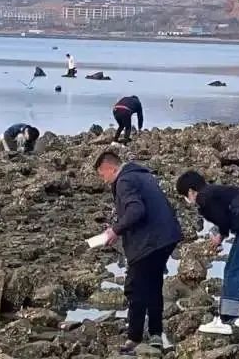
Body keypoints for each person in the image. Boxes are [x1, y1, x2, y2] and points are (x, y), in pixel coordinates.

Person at [93, 151, 182, 354]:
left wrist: (115, 230)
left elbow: (136, 210)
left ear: (110, 168)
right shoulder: (142, 174)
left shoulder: (124, 181)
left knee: (135, 287)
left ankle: (134, 338)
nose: (103, 180)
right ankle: (156, 333)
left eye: (102, 175)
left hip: (149, 241)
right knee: (153, 283)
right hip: (167, 237)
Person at [176, 171, 239, 335]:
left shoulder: (203, 198)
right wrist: (222, 235)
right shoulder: (216, 190)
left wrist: (220, 236)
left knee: (233, 269)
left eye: (185, 195)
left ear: (191, 191)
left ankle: (225, 319)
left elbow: (223, 220)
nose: (187, 200)